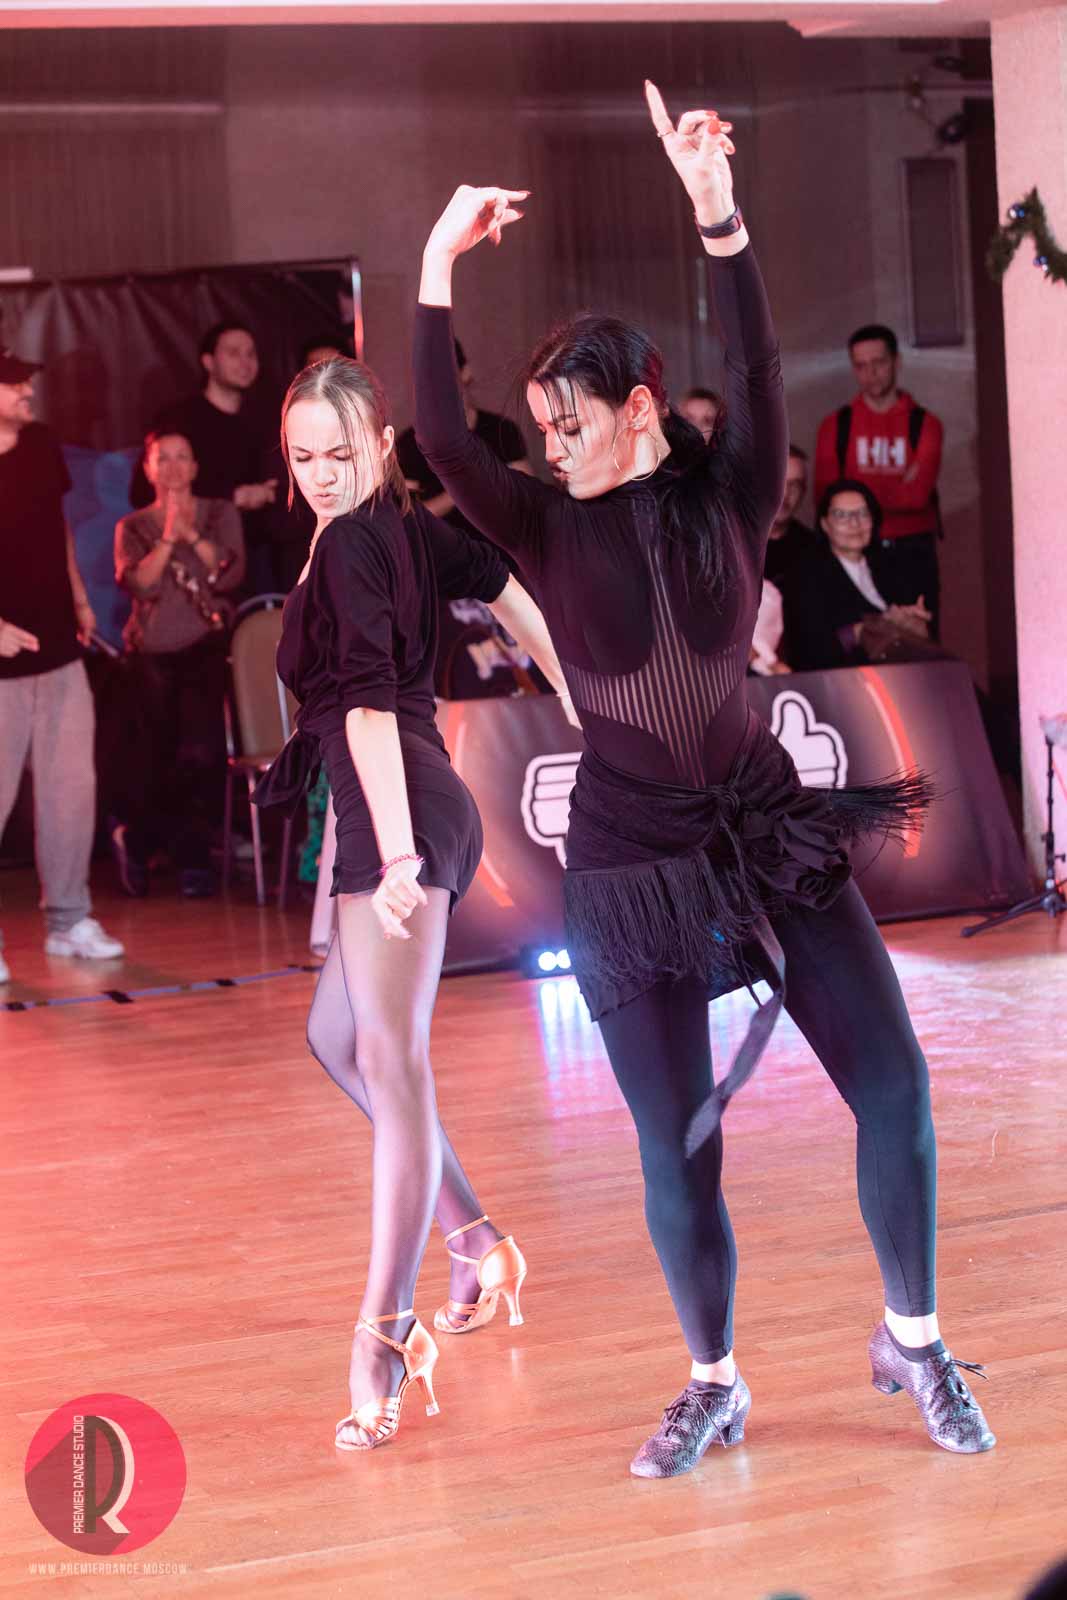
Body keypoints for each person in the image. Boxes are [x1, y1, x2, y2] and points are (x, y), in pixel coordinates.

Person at [413, 82, 994, 1478]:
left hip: (762, 827)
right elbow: (438, 439)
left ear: (634, 409)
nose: (549, 447)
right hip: (628, 861)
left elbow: (756, 356)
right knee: (675, 1142)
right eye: (539, 429)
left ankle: (912, 1338)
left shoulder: (731, 491)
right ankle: (712, 1380)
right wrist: (434, 259)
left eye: (569, 422)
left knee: (893, 1084)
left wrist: (716, 214)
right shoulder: (539, 523)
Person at [253, 355, 573, 1452]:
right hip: (404, 805)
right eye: (302, 456)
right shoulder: (394, 530)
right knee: (336, 1038)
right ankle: (476, 1239)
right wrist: (574, 693)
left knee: (392, 1064)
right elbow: (500, 582)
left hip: (398, 809)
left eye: (339, 453)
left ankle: (385, 1336)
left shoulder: (354, 541)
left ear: (380, 447)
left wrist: (392, 852)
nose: (320, 473)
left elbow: (365, 712)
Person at [0, 348, 124, 982]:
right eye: (13, 382)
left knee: (71, 793)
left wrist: (78, 597)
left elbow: (58, 529)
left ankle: (69, 920)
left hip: (58, 650)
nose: (27, 389)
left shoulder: (42, 445)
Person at [113, 430, 246, 898]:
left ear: (194, 467)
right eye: (161, 458)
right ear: (148, 468)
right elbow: (141, 584)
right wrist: (168, 539)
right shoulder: (133, 527)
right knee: (155, 758)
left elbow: (228, 573)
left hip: (203, 647)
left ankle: (194, 858)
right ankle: (138, 841)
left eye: (181, 457)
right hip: (149, 654)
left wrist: (191, 534)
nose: (172, 467)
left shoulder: (219, 513)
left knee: (202, 753)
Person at [396, 338, 537, 697]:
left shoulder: (501, 431)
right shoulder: (411, 444)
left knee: (523, 674)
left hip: (508, 570)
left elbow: (529, 501)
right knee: (463, 678)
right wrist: (463, 488)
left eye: (443, 374)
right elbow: (408, 518)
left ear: (465, 372)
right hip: (446, 584)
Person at [130, 321, 278, 593]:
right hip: (191, 559)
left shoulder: (265, 419)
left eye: (251, 354)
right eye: (233, 353)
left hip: (254, 555)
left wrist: (267, 493)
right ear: (208, 362)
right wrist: (233, 496)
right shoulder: (180, 420)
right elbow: (142, 491)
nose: (245, 362)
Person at [814, 324, 944, 632]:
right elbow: (826, 500)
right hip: (858, 554)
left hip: (913, 553)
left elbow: (917, 497)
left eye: (879, 362)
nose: (870, 373)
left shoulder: (925, 424)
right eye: (861, 366)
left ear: (897, 362)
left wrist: (857, 490)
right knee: (865, 641)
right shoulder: (836, 425)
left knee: (920, 640)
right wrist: (899, 486)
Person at [782, 479, 939, 672]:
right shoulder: (805, 577)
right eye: (841, 515)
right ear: (825, 524)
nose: (855, 523)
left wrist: (914, 625)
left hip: (903, 672)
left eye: (863, 513)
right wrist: (863, 630)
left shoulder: (894, 569)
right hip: (844, 680)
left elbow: (919, 639)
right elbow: (808, 651)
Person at [764, 444, 815, 588]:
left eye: (795, 485)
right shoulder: (725, 542)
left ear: (803, 492)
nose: (785, 494)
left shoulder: (813, 549)